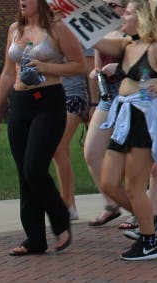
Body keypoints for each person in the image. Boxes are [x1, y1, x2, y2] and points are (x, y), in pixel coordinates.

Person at [0, 0, 83, 255]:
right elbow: (7, 72)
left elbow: (78, 65)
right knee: (23, 175)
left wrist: (47, 65)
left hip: (48, 102)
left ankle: (60, 218)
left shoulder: (57, 28)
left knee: (34, 169)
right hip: (20, 102)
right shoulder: (15, 30)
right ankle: (34, 238)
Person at [92, 0, 157, 260]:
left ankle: (149, 241)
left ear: (141, 18)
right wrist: (70, 22)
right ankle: (147, 218)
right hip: (124, 116)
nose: (122, 18)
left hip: (144, 119)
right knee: (109, 183)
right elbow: (98, 41)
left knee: (134, 186)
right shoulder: (125, 44)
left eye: (127, 14)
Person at [85, 0, 133, 227]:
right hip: (106, 97)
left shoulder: (129, 33)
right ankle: (112, 203)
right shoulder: (100, 31)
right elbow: (96, 66)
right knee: (92, 152)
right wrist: (94, 99)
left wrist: (119, 69)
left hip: (127, 96)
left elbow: (141, 67)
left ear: (124, 9)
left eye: (112, 4)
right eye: (103, 2)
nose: (106, 7)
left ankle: (139, 211)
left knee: (126, 158)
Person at [53, 71, 90, 221]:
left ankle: (67, 204)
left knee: (58, 147)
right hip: (52, 95)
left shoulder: (82, 45)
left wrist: (92, 103)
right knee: (61, 151)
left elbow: (89, 68)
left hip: (74, 96)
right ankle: (69, 204)